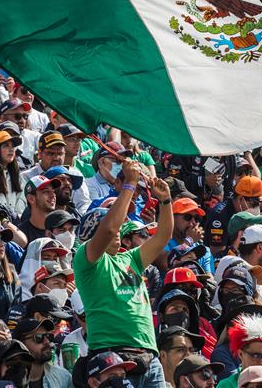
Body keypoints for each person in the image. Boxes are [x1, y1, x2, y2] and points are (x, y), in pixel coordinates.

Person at [73, 160, 172, 388]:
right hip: (112, 358)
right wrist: (129, 183)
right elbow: (108, 228)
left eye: (121, 227)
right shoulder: (85, 260)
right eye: (115, 227)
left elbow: (163, 237)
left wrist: (165, 201)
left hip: (149, 356)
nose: (118, 230)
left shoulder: (131, 259)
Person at [12, 317, 73, 388]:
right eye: (39, 337)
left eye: (48, 336)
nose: (47, 342)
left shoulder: (63, 378)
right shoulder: (6, 381)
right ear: (20, 344)